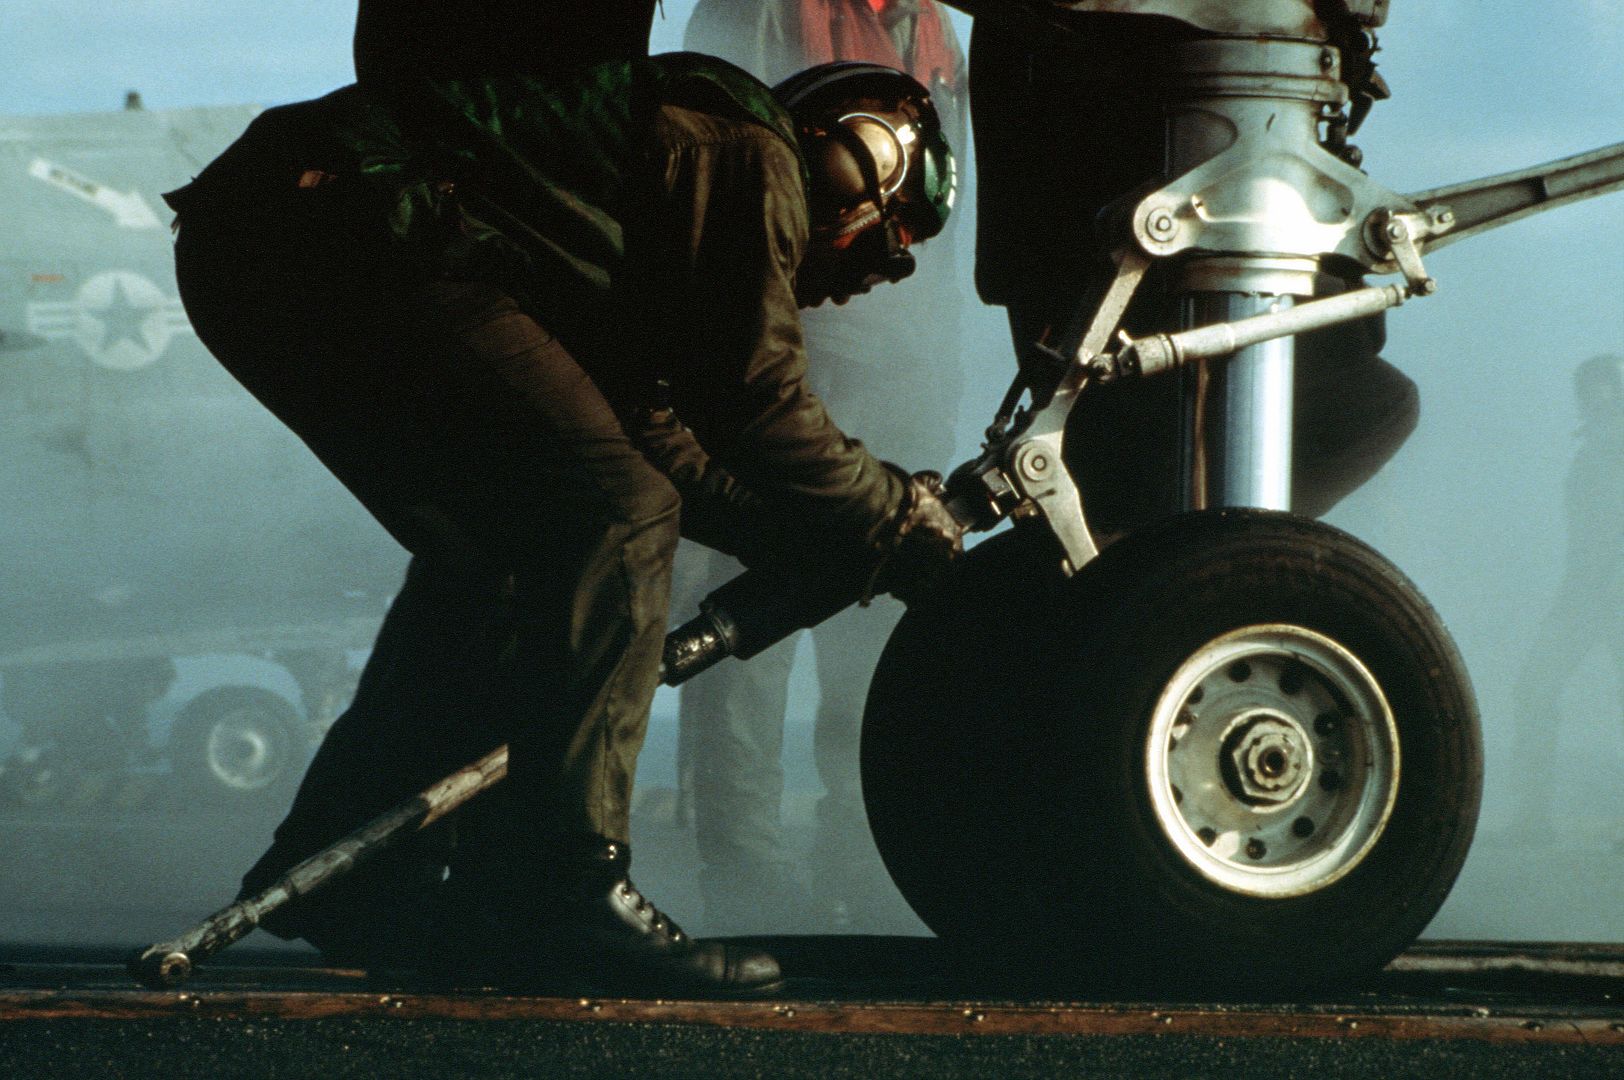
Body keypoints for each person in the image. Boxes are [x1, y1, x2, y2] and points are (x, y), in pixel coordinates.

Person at [164, 0, 962, 995]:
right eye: (886, 241)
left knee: (513, 550)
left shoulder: (649, 205)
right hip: (347, 228)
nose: (874, 277)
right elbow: (756, 405)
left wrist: (794, 541)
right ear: (851, 170)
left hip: (281, 234)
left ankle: (346, 875)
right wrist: (892, 515)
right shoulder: (746, 157)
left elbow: (662, 441)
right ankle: (561, 888)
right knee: (608, 517)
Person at [675, 0, 967, 934]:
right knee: (747, 633)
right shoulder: (758, 8)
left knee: (881, 637)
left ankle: (863, 861)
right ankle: (747, 878)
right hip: (788, 350)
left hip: (907, 359)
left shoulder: (934, 30)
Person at [968, 14, 1419, 532]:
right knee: (1374, 405)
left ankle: (1168, 558)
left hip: (1086, 249)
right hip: (1130, 240)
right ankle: (1187, 558)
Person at [1512, 354, 1624, 834]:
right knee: (1534, 689)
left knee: (1536, 688)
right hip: (1586, 593)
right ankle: (1532, 816)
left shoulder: (1607, 448)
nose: (1596, 400)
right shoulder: (1594, 449)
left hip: (1606, 594)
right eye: (1590, 391)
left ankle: (1533, 817)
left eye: (1605, 390)